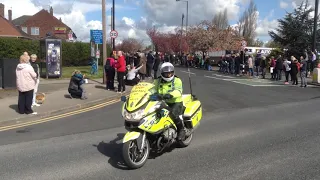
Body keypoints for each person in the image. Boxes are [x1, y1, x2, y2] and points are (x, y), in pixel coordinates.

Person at [152, 62, 185, 140]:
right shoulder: (157, 81)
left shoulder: (177, 80)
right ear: (162, 73)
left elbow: (178, 91)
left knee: (173, 114)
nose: (169, 75)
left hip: (175, 102)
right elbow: (152, 89)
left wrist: (170, 94)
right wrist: (149, 95)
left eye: (170, 73)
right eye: (166, 74)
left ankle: (181, 129)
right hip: (162, 102)